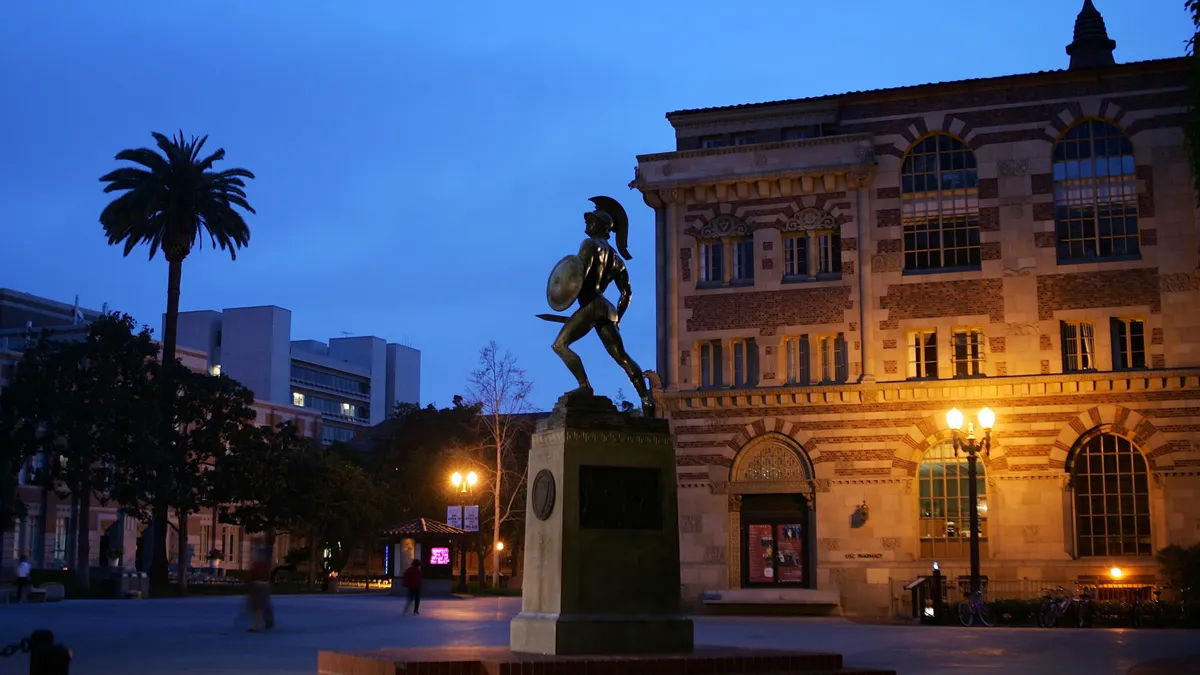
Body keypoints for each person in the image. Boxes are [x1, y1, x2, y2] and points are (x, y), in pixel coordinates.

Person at [246, 547, 274, 632]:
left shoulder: (260, 565)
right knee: (264, 605)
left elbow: (257, 576)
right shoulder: (263, 565)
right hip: (262, 586)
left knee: (258, 606)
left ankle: (256, 625)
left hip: (259, 586)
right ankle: (267, 622)